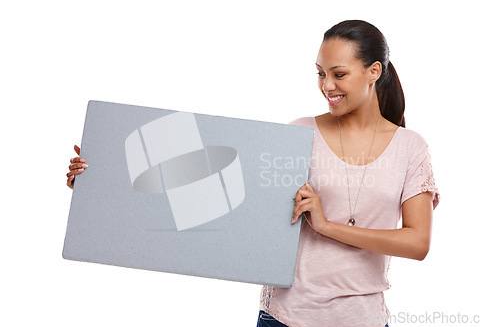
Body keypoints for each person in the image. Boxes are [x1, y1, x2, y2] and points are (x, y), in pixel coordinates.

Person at [66, 20, 440, 327]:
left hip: (362, 320)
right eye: (320, 73)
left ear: (374, 71)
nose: (327, 86)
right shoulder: (299, 133)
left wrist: (327, 226)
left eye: (339, 74)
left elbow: (417, 243)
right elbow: (220, 201)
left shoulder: (411, 148)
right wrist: (102, 178)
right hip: (284, 318)